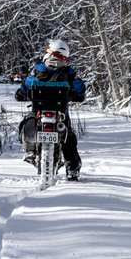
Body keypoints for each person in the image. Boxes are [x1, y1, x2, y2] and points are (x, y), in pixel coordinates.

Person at [14, 38, 86, 180]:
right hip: (61, 114)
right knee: (69, 139)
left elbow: (24, 88)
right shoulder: (69, 73)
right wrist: (76, 94)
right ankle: (72, 169)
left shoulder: (38, 70)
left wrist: (21, 93)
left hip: (38, 113)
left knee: (25, 124)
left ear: (50, 53)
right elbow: (80, 90)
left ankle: (30, 151)